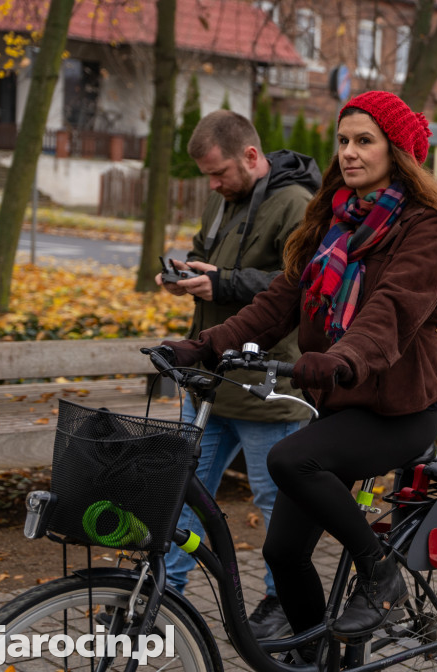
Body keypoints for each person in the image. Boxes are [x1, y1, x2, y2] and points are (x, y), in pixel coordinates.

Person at [156, 91, 437, 643]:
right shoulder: (331, 220)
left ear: (396, 150)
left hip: (401, 409)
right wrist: (203, 346)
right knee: (283, 554)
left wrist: (340, 358)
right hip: (345, 404)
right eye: (344, 140)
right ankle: (324, 664)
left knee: (290, 459)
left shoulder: (424, 228)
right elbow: (278, 302)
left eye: (364, 140)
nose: (349, 152)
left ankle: (381, 574)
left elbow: (392, 309)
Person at [155, 110, 321, 638]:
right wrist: (189, 275)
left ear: (251, 156)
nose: (213, 183)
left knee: (275, 503)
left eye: (219, 172)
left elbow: (300, 284)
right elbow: (210, 257)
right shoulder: (223, 198)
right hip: (210, 378)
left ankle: (281, 605)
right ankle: (162, 594)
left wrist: (224, 284)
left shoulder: (296, 204)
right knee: (182, 490)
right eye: (207, 175)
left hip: (264, 387)